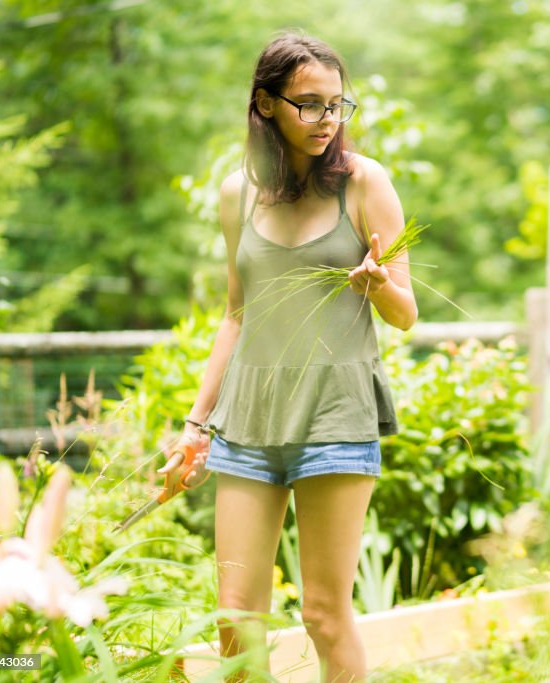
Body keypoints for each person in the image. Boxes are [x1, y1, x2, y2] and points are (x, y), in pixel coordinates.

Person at [158, 31, 417, 683]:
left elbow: (407, 313)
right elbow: (237, 315)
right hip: (247, 424)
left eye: (336, 105)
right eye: (309, 104)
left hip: (334, 418)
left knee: (325, 617)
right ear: (266, 103)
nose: (327, 120)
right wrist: (195, 425)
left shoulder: (364, 184)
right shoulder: (235, 195)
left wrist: (380, 284)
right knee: (235, 622)